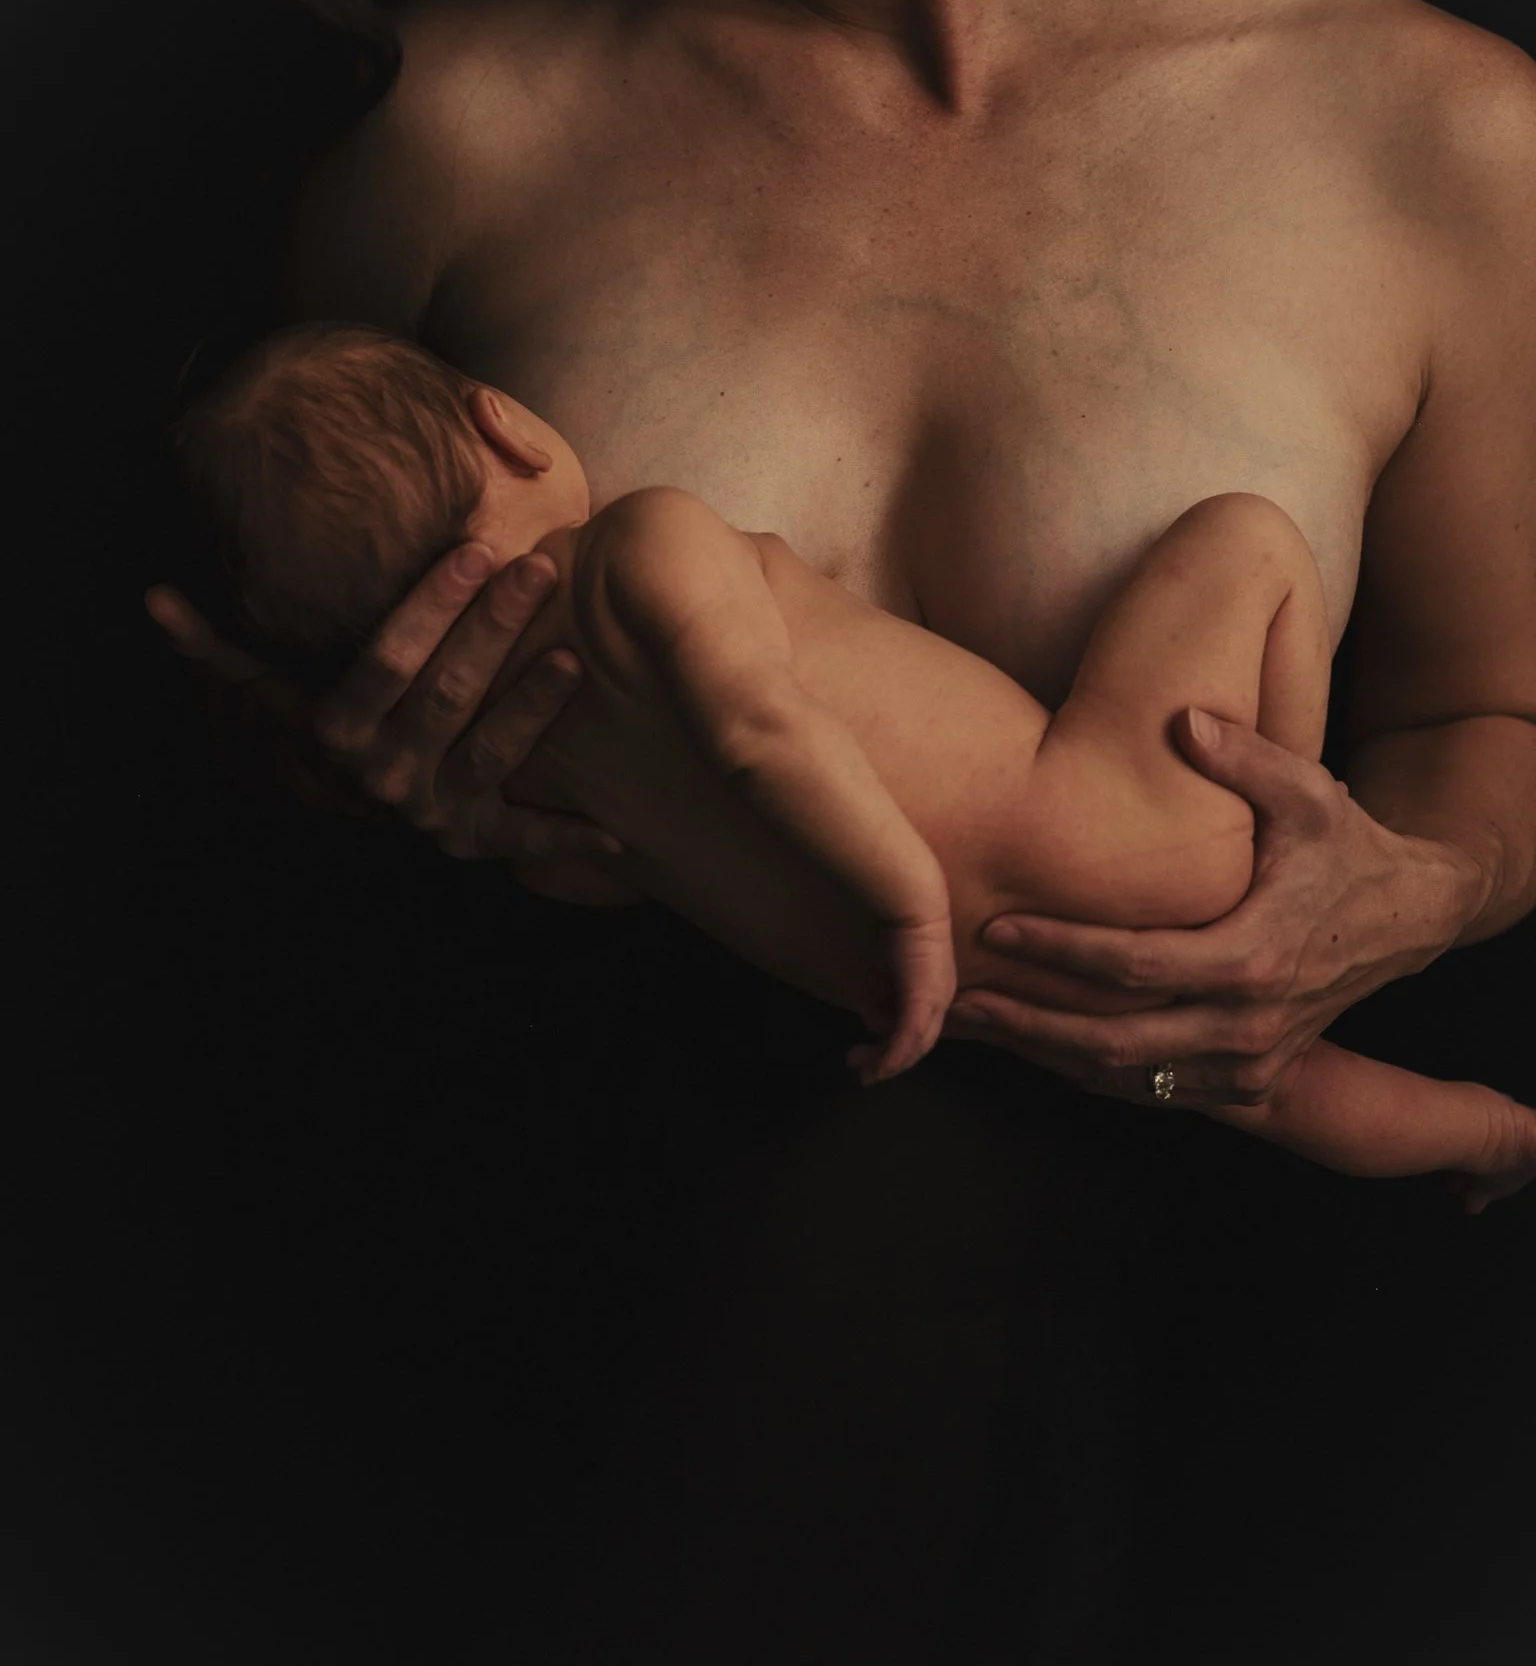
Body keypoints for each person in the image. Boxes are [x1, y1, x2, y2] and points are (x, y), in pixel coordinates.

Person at [144, 0, 1536, 1666]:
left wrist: (1413, 887)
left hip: (1247, 1422)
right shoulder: (444, 124)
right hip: (593, 1372)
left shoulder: (1445, 135)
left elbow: (1503, 708)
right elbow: (309, 705)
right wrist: (369, 773)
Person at [171, 318, 1536, 1197]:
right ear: (509, 426)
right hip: (1094, 837)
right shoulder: (635, 549)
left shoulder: (526, 760)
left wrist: (914, 947)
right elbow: (765, 727)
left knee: (1259, 1090)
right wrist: (903, 902)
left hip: (994, 996)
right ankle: (1290, 800)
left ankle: (1490, 1137)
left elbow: (593, 881)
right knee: (1248, 536)